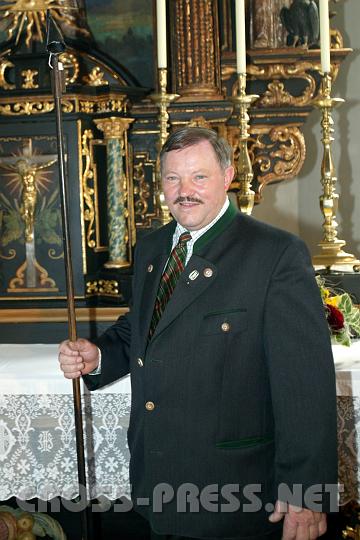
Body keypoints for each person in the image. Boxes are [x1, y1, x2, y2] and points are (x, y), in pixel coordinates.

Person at [59, 127, 337, 540]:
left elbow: (305, 385)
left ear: (227, 177)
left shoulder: (274, 254)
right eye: (173, 178)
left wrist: (305, 492)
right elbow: (142, 328)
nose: (184, 190)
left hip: (236, 496)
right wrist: (98, 356)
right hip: (160, 482)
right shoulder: (153, 248)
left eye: (199, 177)